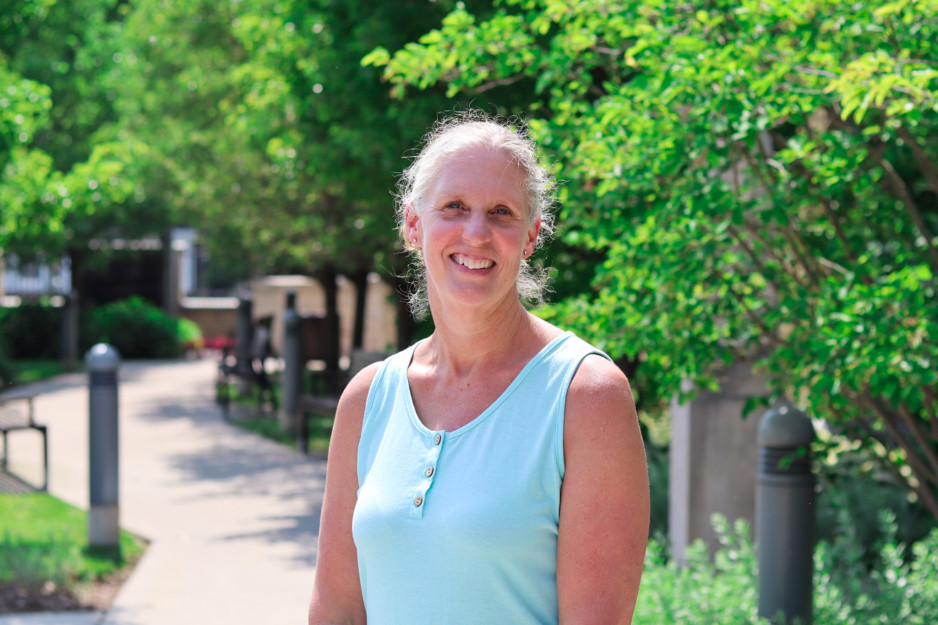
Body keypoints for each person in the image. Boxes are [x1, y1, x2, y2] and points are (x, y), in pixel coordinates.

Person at [308, 111, 649, 625]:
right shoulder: (368, 398)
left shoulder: (586, 395)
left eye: (501, 213)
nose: (476, 232)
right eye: (454, 206)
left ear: (531, 236)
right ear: (413, 223)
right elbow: (336, 609)